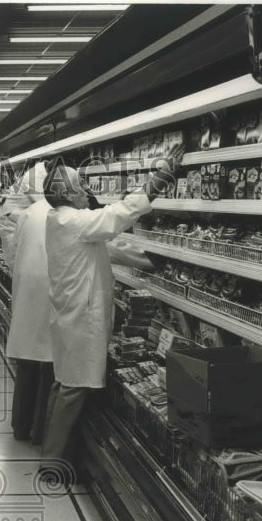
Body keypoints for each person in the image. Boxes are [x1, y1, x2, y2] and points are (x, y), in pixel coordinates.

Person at [41, 148, 182, 478]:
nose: (86, 191)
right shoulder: (73, 221)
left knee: (64, 384)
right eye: (80, 187)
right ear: (66, 194)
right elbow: (120, 214)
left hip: (70, 315)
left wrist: (148, 260)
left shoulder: (61, 220)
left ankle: (48, 445)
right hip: (79, 318)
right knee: (73, 389)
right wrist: (159, 180)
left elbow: (108, 245)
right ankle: (52, 464)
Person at [0, 163, 55, 445]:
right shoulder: (51, 216)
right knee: (48, 370)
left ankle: (20, 427)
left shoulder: (25, 214)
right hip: (48, 301)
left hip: (27, 297)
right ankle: (40, 431)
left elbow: (13, 251)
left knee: (28, 366)